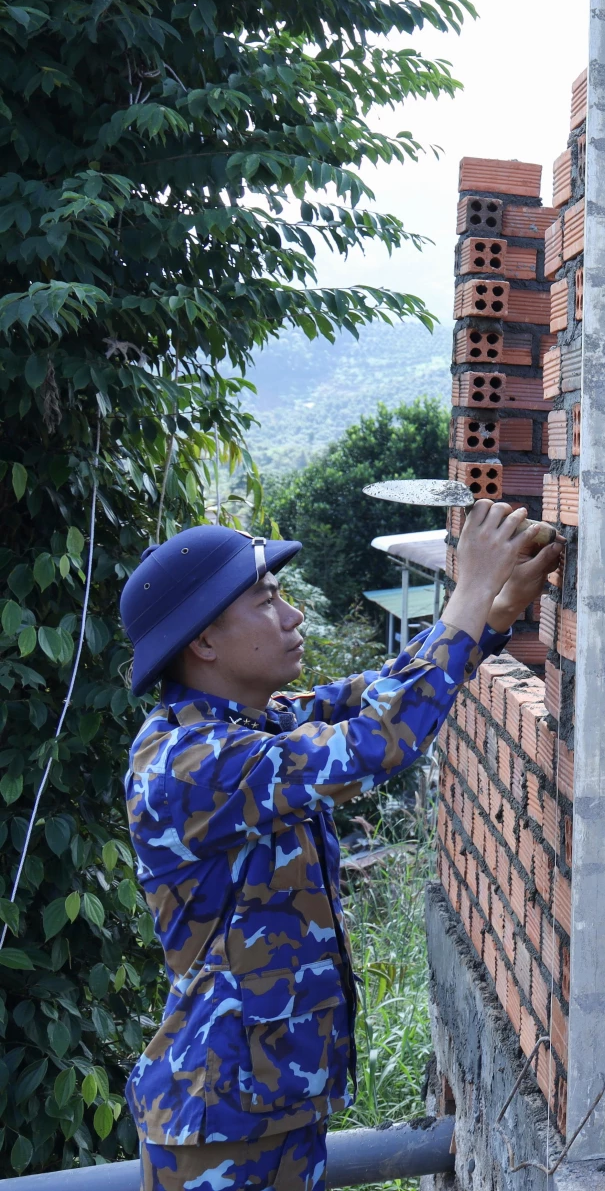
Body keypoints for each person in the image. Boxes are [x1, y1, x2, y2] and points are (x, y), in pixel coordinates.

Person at [120, 503, 562, 1191]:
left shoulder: (249, 724)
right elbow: (378, 740)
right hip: (218, 1127)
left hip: (269, 1109)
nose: (292, 615)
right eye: (267, 601)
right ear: (204, 641)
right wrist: (468, 593)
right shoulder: (188, 763)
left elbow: (371, 697)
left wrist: (493, 612)